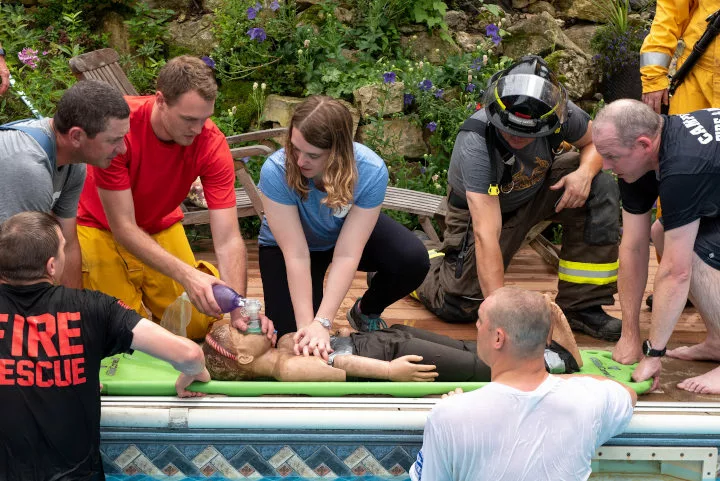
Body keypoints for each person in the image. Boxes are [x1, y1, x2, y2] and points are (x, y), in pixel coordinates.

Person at [413, 55, 623, 341]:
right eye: (509, 131)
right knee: (461, 304)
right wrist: (503, 318)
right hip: (485, 210)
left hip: (536, 190)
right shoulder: (474, 142)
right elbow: (487, 232)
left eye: (528, 134)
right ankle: (416, 254)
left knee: (601, 182)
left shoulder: (558, 110)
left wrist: (584, 173)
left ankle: (581, 306)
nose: (517, 138)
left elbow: (594, 142)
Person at [0, 211, 210, 481]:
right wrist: (194, 372)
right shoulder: (92, 308)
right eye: (64, 248)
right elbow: (189, 353)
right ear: (51, 266)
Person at [76, 56, 271, 340]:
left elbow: (228, 238)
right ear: (160, 100)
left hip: (160, 222)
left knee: (196, 323)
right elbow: (124, 228)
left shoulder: (210, 142)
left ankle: (196, 284)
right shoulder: (118, 130)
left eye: (205, 118)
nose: (198, 129)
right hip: (98, 225)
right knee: (120, 328)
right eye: (189, 119)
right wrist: (187, 276)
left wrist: (237, 307)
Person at [257, 95, 429, 359]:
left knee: (412, 259)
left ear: (338, 151)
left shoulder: (371, 170)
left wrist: (323, 322)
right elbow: (296, 253)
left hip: (342, 234)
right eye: (295, 148)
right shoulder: (275, 170)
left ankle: (365, 310)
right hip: (291, 247)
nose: (300, 160)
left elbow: (348, 252)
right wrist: (308, 326)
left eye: (313, 155)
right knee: (292, 339)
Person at [409, 287, 636, 481]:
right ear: (548, 336)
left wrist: (456, 406)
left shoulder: (449, 416)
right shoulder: (587, 400)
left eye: (479, 320)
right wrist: (559, 381)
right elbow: (627, 393)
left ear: (498, 338)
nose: (476, 326)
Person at [593, 99, 720, 393]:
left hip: (705, 169)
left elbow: (676, 272)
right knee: (660, 233)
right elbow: (634, 245)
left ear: (643, 145)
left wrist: (653, 354)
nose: (606, 166)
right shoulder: (635, 161)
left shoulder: (684, 167)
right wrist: (630, 335)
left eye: (611, 157)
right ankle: (717, 340)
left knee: (690, 255)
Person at [203, 299, 581, 382]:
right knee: (477, 366)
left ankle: (541, 351)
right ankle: (559, 361)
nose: (248, 325)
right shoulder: (287, 368)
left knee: (468, 348)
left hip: (384, 339)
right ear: (245, 360)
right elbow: (340, 366)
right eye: (242, 333)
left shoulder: (279, 348)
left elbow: (331, 347)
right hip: (396, 355)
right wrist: (391, 371)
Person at [0, 80, 130, 288]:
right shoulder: (29, 168)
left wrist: (74, 312)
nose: (122, 149)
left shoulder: (74, 164)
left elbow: (67, 243)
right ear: (76, 136)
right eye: (113, 140)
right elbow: (16, 267)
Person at [639, 1, 719, 314]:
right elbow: (668, 17)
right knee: (677, 176)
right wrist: (654, 78)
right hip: (695, 82)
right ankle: (678, 279)